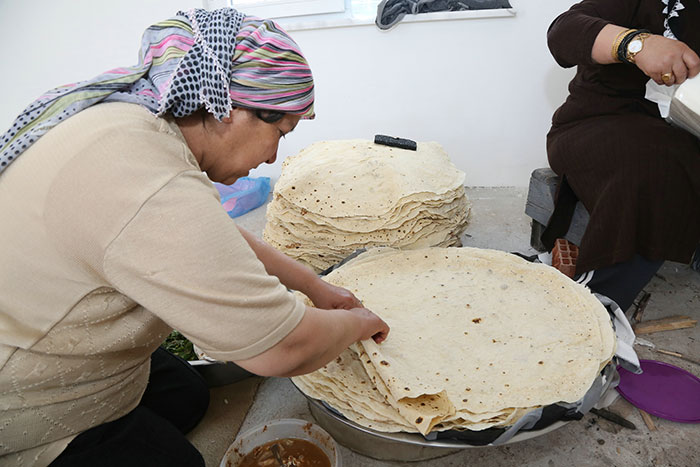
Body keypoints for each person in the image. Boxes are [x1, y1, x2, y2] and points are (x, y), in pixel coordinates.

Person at [0, 8, 389, 467]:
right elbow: (281, 347)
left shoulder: (137, 126)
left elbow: (208, 232)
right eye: (279, 132)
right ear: (227, 108)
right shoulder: (140, 174)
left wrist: (315, 286)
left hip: (40, 319)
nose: (271, 157)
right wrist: (359, 325)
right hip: (21, 385)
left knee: (187, 398)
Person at [542, 0, 700, 311]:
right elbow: (563, 32)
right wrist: (636, 45)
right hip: (597, 125)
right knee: (656, 163)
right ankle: (596, 308)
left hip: (684, 136)